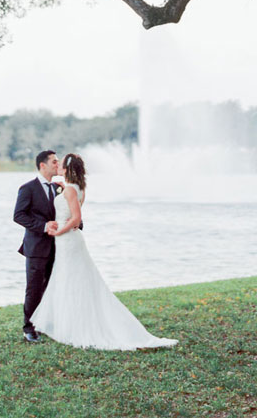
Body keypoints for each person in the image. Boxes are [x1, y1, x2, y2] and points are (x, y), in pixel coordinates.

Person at [30, 153, 177, 350]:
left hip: (68, 239)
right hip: (67, 240)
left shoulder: (70, 191)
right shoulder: (76, 188)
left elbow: (75, 219)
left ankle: (76, 327)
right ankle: (69, 324)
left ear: (67, 169)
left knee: (72, 280)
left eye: (61, 164)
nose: (58, 166)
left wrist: (59, 231)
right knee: (70, 280)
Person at [13, 149, 63, 342]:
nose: (58, 166)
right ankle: (29, 328)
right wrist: (43, 226)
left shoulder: (58, 188)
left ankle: (44, 323)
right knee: (34, 288)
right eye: (55, 162)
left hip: (57, 247)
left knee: (50, 287)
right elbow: (19, 215)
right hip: (36, 248)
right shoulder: (28, 188)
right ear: (43, 165)